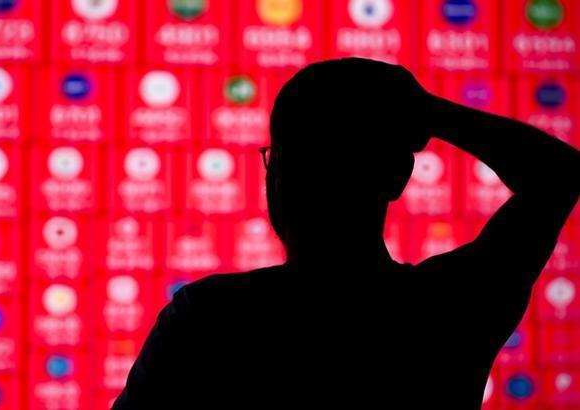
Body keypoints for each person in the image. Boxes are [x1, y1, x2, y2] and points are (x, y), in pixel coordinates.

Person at [112, 58, 580, 409]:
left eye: (293, 158)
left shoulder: (208, 318)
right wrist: (431, 113)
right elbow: (558, 175)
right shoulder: (449, 308)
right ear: (397, 176)